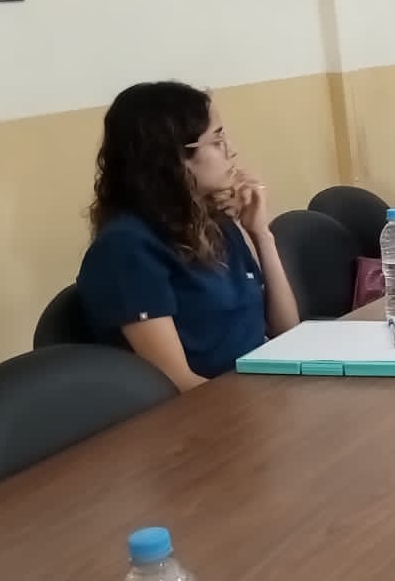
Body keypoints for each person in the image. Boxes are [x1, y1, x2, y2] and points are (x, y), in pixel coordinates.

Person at [78, 82, 300, 391]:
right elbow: (178, 383)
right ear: (175, 157)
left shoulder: (212, 221)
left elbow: (287, 331)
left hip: (259, 390)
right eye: (217, 140)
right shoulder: (126, 249)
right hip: (208, 409)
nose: (231, 150)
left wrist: (261, 234)